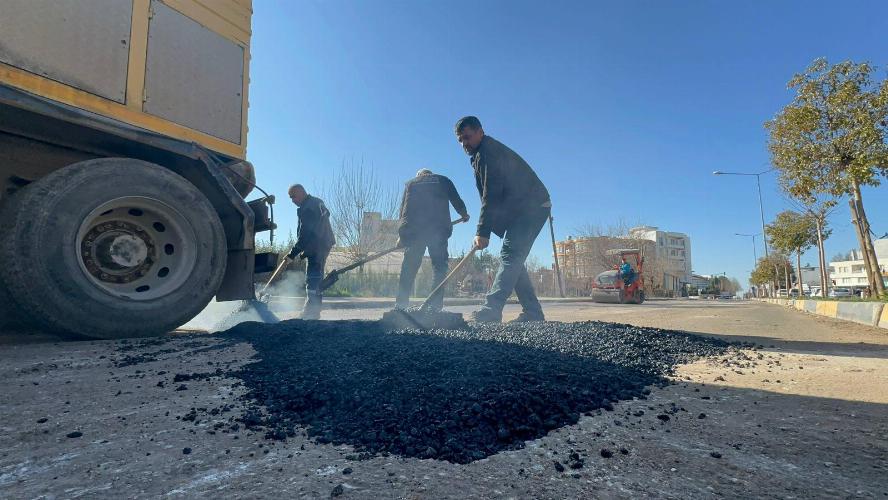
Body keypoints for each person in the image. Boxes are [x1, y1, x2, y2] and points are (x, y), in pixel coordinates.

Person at [455, 116, 551, 323]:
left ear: (480, 132)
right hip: (522, 209)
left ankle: (491, 309)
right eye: (460, 140)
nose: (464, 143)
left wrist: (482, 231)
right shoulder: (481, 154)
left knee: (511, 253)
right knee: (515, 258)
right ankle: (533, 313)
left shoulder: (488, 152)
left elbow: (492, 194)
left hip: (532, 206)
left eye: (467, 137)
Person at [396, 169, 469, 310]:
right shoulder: (443, 180)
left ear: (419, 176)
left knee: (409, 268)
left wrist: (402, 236)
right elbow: (456, 199)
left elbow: (403, 210)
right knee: (439, 267)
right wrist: (464, 213)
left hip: (414, 231)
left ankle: (400, 304)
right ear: (430, 174)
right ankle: (434, 305)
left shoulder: (410, 183)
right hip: (438, 229)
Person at [287, 184, 335, 320]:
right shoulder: (316, 202)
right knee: (316, 277)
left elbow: (306, 232)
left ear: (301, 192)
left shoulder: (307, 207)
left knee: (313, 278)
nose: (292, 200)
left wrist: (293, 253)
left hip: (317, 245)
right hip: (321, 243)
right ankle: (312, 310)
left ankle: (312, 312)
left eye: (293, 196)